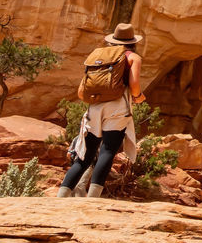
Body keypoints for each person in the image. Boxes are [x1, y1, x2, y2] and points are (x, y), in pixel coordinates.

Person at [58, 22, 146, 199]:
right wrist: (138, 97)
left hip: (94, 107)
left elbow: (83, 87)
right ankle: (93, 199)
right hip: (117, 107)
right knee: (107, 150)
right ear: (132, 41)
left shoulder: (97, 55)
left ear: (113, 40)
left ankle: (62, 195)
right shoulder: (132, 57)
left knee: (85, 155)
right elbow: (134, 85)